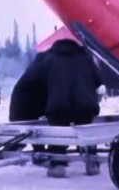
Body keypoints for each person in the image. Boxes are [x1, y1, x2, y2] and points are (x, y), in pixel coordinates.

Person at [41, 39, 103, 178]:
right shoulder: (85, 57)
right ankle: (92, 164)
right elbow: (99, 79)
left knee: (58, 134)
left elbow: (40, 81)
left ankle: (58, 165)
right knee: (87, 134)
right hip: (85, 105)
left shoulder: (50, 58)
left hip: (58, 105)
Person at [6, 52, 48, 153]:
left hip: (23, 105)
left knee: (23, 135)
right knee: (25, 134)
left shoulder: (37, 65)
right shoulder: (45, 66)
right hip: (27, 107)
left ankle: (36, 151)